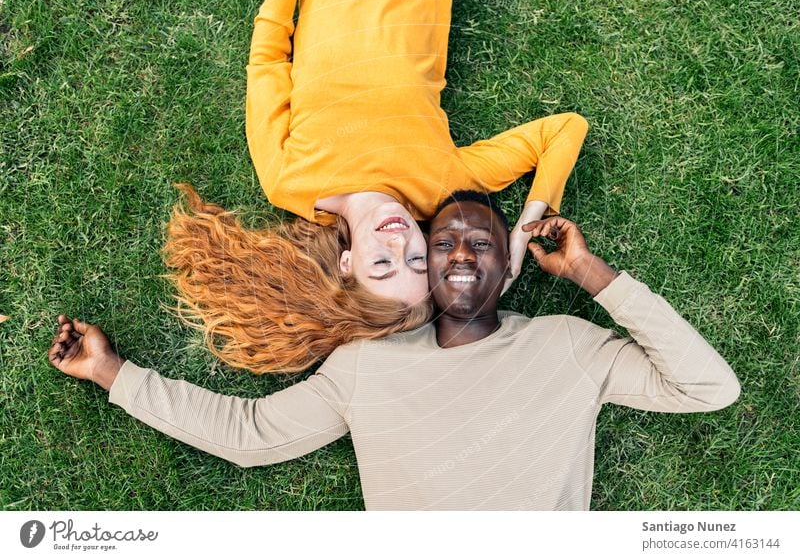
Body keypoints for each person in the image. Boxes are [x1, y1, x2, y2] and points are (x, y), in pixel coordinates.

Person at [49, 191, 740, 510]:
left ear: (507, 268)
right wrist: (111, 371)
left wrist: (589, 273)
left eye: (483, 244)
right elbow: (249, 434)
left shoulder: (569, 346)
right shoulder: (364, 367)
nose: (462, 254)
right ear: (428, 274)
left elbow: (710, 388)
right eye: (442, 243)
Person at [164, 0, 588, 373]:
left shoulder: (289, 183)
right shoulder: (440, 187)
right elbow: (564, 130)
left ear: (347, 264)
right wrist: (521, 235)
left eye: (383, 263)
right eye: (417, 258)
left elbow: (268, 59)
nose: (399, 239)